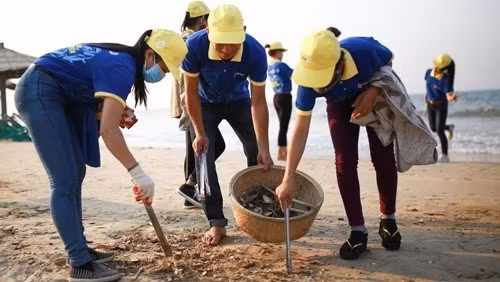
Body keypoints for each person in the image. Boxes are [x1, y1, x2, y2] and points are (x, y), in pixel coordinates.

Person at [14, 30, 187, 281]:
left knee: (75, 172)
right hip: (39, 91)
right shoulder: (122, 66)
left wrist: (107, 111)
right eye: (163, 66)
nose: (163, 74)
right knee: (64, 179)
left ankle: (80, 248)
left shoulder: (122, 60)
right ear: (149, 55)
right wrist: (138, 174)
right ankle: (79, 264)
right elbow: (108, 130)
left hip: (55, 92)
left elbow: (90, 97)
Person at [276, 27, 401, 260]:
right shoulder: (306, 83)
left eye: (321, 79)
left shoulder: (364, 50)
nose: (317, 88)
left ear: (339, 64)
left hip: (372, 93)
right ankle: (357, 230)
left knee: (382, 157)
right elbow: (300, 130)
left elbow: (388, 62)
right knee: (344, 161)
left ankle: (389, 219)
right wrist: (288, 178)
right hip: (339, 105)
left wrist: (373, 92)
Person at [182, 4, 274, 245]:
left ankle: (255, 205)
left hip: (240, 101)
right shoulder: (193, 46)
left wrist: (264, 146)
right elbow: (189, 93)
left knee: (256, 149)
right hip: (204, 103)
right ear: (206, 29)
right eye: (219, 42)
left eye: (232, 42)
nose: (225, 49)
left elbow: (258, 102)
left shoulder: (254, 51)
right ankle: (216, 222)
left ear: (243, 31)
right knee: (204, 156)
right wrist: (199, 132)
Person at [172, 0, 226, 210]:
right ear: (204, 19)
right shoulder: (192, 40)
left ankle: (189, 192)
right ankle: (189, 187)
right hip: (191, 101)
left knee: (194, 147)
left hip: (186, 100)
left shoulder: (182, 37)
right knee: (208, 145)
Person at [425, 53, 457, 163]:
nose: (434, 65)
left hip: (441, 105)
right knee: (433, 128)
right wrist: (426, 96)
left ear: (443, 68)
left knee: (439, 130)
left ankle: (445, 156)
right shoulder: (428, 73)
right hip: (430, 104)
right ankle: (449, 127)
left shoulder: (446, 80)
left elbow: (448, 95)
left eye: (437, 64)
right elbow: (428, 85)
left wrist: (452, 97)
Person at [265, 42, 293, 161]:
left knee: (282, 125)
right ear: (275, 52)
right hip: (285, 97)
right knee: (284, 126)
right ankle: (282, 153)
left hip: (276, 97)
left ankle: (281, 152)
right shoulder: (281, 65)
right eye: (281, 52)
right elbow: (295, 75)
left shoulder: (270, 67)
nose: (282, 54)